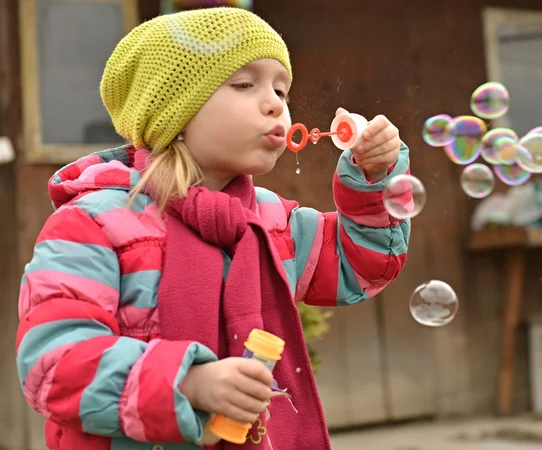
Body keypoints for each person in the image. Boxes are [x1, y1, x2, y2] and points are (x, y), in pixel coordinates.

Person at [15, 7, 410, 450]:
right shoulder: (93, 224)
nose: (276, 103)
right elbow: (53, 365)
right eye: (245, 84)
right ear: (173, 113)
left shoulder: (269, 221)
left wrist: (374, 179)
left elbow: (359, 264)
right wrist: (189, 383)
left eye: (282, 89)